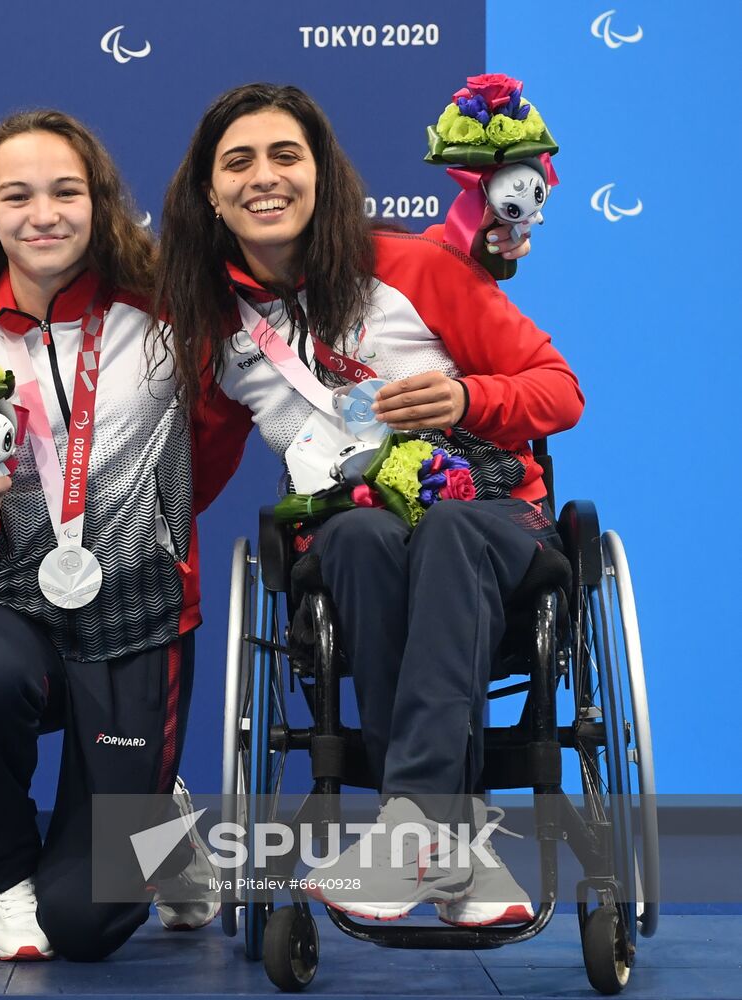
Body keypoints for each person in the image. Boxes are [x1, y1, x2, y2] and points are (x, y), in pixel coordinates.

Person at [157, 83, 583, 925]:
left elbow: (558, 390)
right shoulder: (212, 324)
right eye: (238, 162)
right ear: (209, 191)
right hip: (355, 530)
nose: (263, 177)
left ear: (321, 174)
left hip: (490, 516)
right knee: (354, 538)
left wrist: (467, 399)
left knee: (447, 529)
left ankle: (411, 828)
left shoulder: (413, 267)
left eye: (285, 155)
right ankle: (445, 848)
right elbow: (193, 471)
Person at [0, 110, 215, 963]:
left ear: (99, 203)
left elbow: (227, 422)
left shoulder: (168, 321)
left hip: (137, 612)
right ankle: (6, 884)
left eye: (64, 192)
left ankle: (163, 816)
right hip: (12, 604)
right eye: (17, 196)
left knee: (86, 925)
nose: (41, 214)